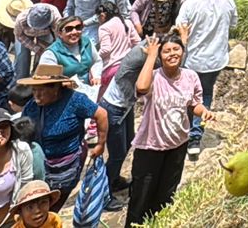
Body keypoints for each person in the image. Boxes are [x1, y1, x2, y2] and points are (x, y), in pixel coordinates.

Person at [126, 33, 215, 227]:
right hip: (150, 147)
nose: (172, 54)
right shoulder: (154, 77)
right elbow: (141, 88)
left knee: (166, 195)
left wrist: (204, 112)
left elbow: (194, 104)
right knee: (141, 198)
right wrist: (150, 56)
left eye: (176, 49)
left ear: (183, 51)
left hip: (177, 145)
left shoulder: (190, 76)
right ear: (160, 55)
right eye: (166, 51)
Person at [17, 63, 106, 207]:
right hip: (40, 163)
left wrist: (101, 144)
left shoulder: (75, 101)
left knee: (54, 203)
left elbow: (102, 115)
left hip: (66, 166)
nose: (36, 95)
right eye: (34, 90)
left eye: (41, 90)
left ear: (56, 89)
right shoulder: (31, 106)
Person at [175, 0, 236, 160]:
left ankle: (182, 133)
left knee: (187, 94)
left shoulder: (189, 4)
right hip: (216, 59)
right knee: (205, 94)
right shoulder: (227, 0)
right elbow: (233, 23)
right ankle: (195, 137)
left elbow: (180, 29)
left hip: (193, 59)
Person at [96, 37, 148, 212]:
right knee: (117, 155)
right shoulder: (143, 55)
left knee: (127, 143)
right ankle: (104, 194)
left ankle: (114, 179)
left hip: (124, 106)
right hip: (114, 108)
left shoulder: (144, 49)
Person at [39, 15, 96, 86]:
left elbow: (96, 61)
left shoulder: (86, 42)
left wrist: (96, 76)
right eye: (69, 29)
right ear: (60, 33)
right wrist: (64, 84)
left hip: (89, 89)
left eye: (78, 28)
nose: (74, 32)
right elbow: (45, 79)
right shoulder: (51, 53)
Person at [94, 0, 137, 94]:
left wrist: (94, 58)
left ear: (102, 15)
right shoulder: (127, 23)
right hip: (127, 65)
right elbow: (137, 42)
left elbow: (106, 49)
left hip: (111, 67)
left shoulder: (104, 27)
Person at [13, 1, 62, 81]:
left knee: (45, 57)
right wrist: (36, 48)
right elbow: (19, 35)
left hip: (46, 33)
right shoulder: (21, 19)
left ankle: (38, 78)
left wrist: (50, 51)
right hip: (25, 36)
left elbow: (59, 39)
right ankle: (20, 83)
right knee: (22, 59)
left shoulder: (56, 19)